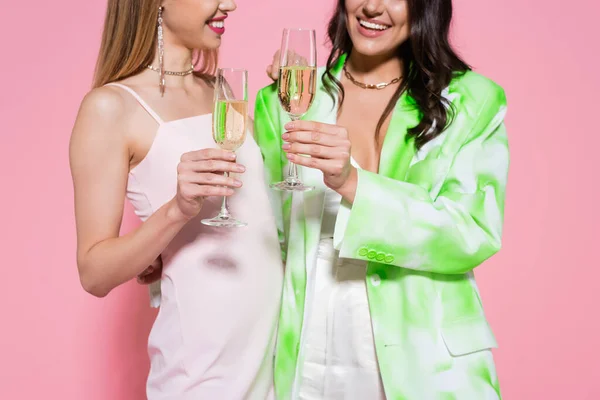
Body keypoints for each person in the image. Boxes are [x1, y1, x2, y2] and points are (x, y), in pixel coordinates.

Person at [254, 0, 509, 399]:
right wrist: (166, 250)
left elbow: (472, 232)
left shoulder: (471, 100)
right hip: (308, 343)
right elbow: (265, 234)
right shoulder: (287, 97)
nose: (372, 7)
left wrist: (353, 182)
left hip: (424, 359)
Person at [69, 1, 283, 398]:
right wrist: (176, 211)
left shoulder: (221, 90)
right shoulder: (110, 107)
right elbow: (93, 273)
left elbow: (264, 209)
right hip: (202, 371)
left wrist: (285, 101)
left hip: (270, 359)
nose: (229, 5)